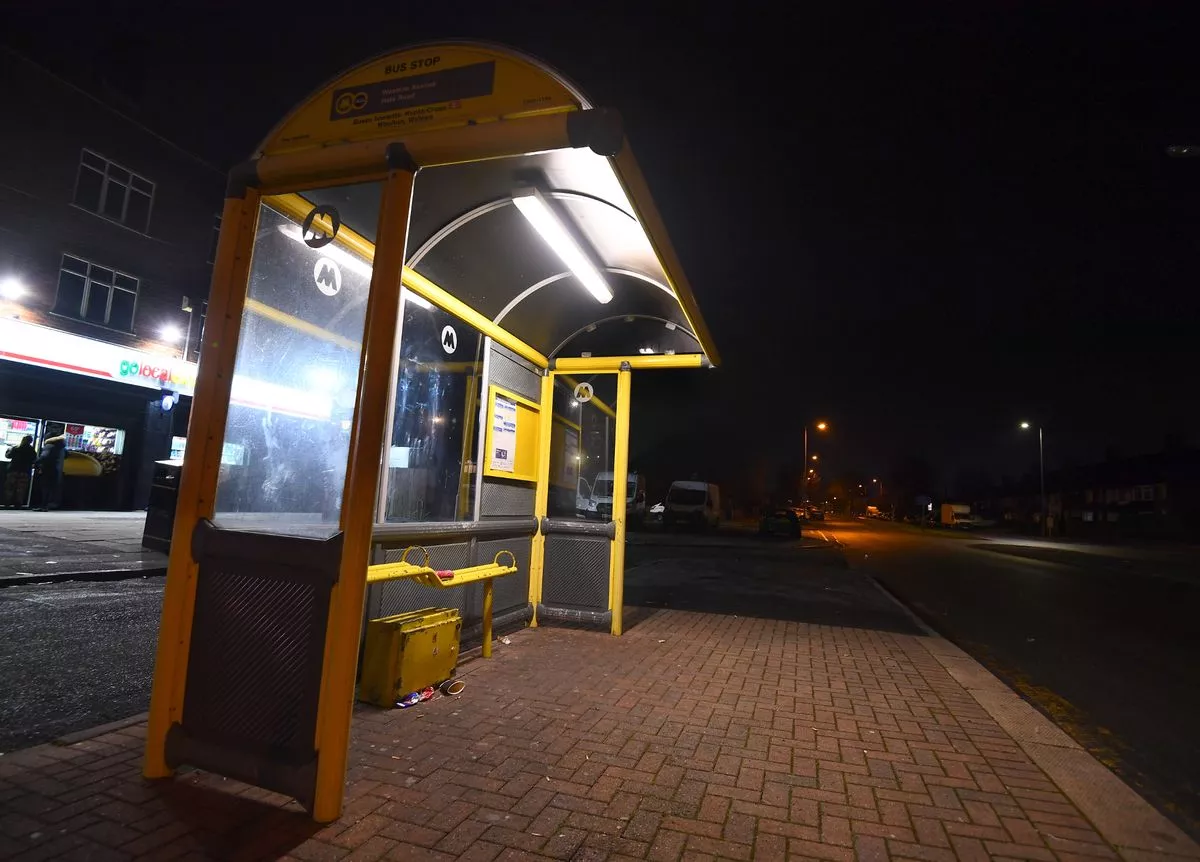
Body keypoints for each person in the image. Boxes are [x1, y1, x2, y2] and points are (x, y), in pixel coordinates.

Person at [34, 435, 66, 511]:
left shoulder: (49, 446)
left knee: (44, 488)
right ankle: (47, 505)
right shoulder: (61, 448)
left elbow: (44, 457)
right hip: (55, 470)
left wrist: (35, 462)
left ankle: (43, 506)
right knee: (50, 488)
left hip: (46, 469)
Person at [4, 435, 37, 508]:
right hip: (24, 471)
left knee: (10, 487)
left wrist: (8, 450)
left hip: (13, 470)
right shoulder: (31, 450)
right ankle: (18, 504)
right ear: (31, 441)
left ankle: (7, 502)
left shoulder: (16, 448)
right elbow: (34, 460)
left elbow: (8, 456)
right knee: (21, 489)